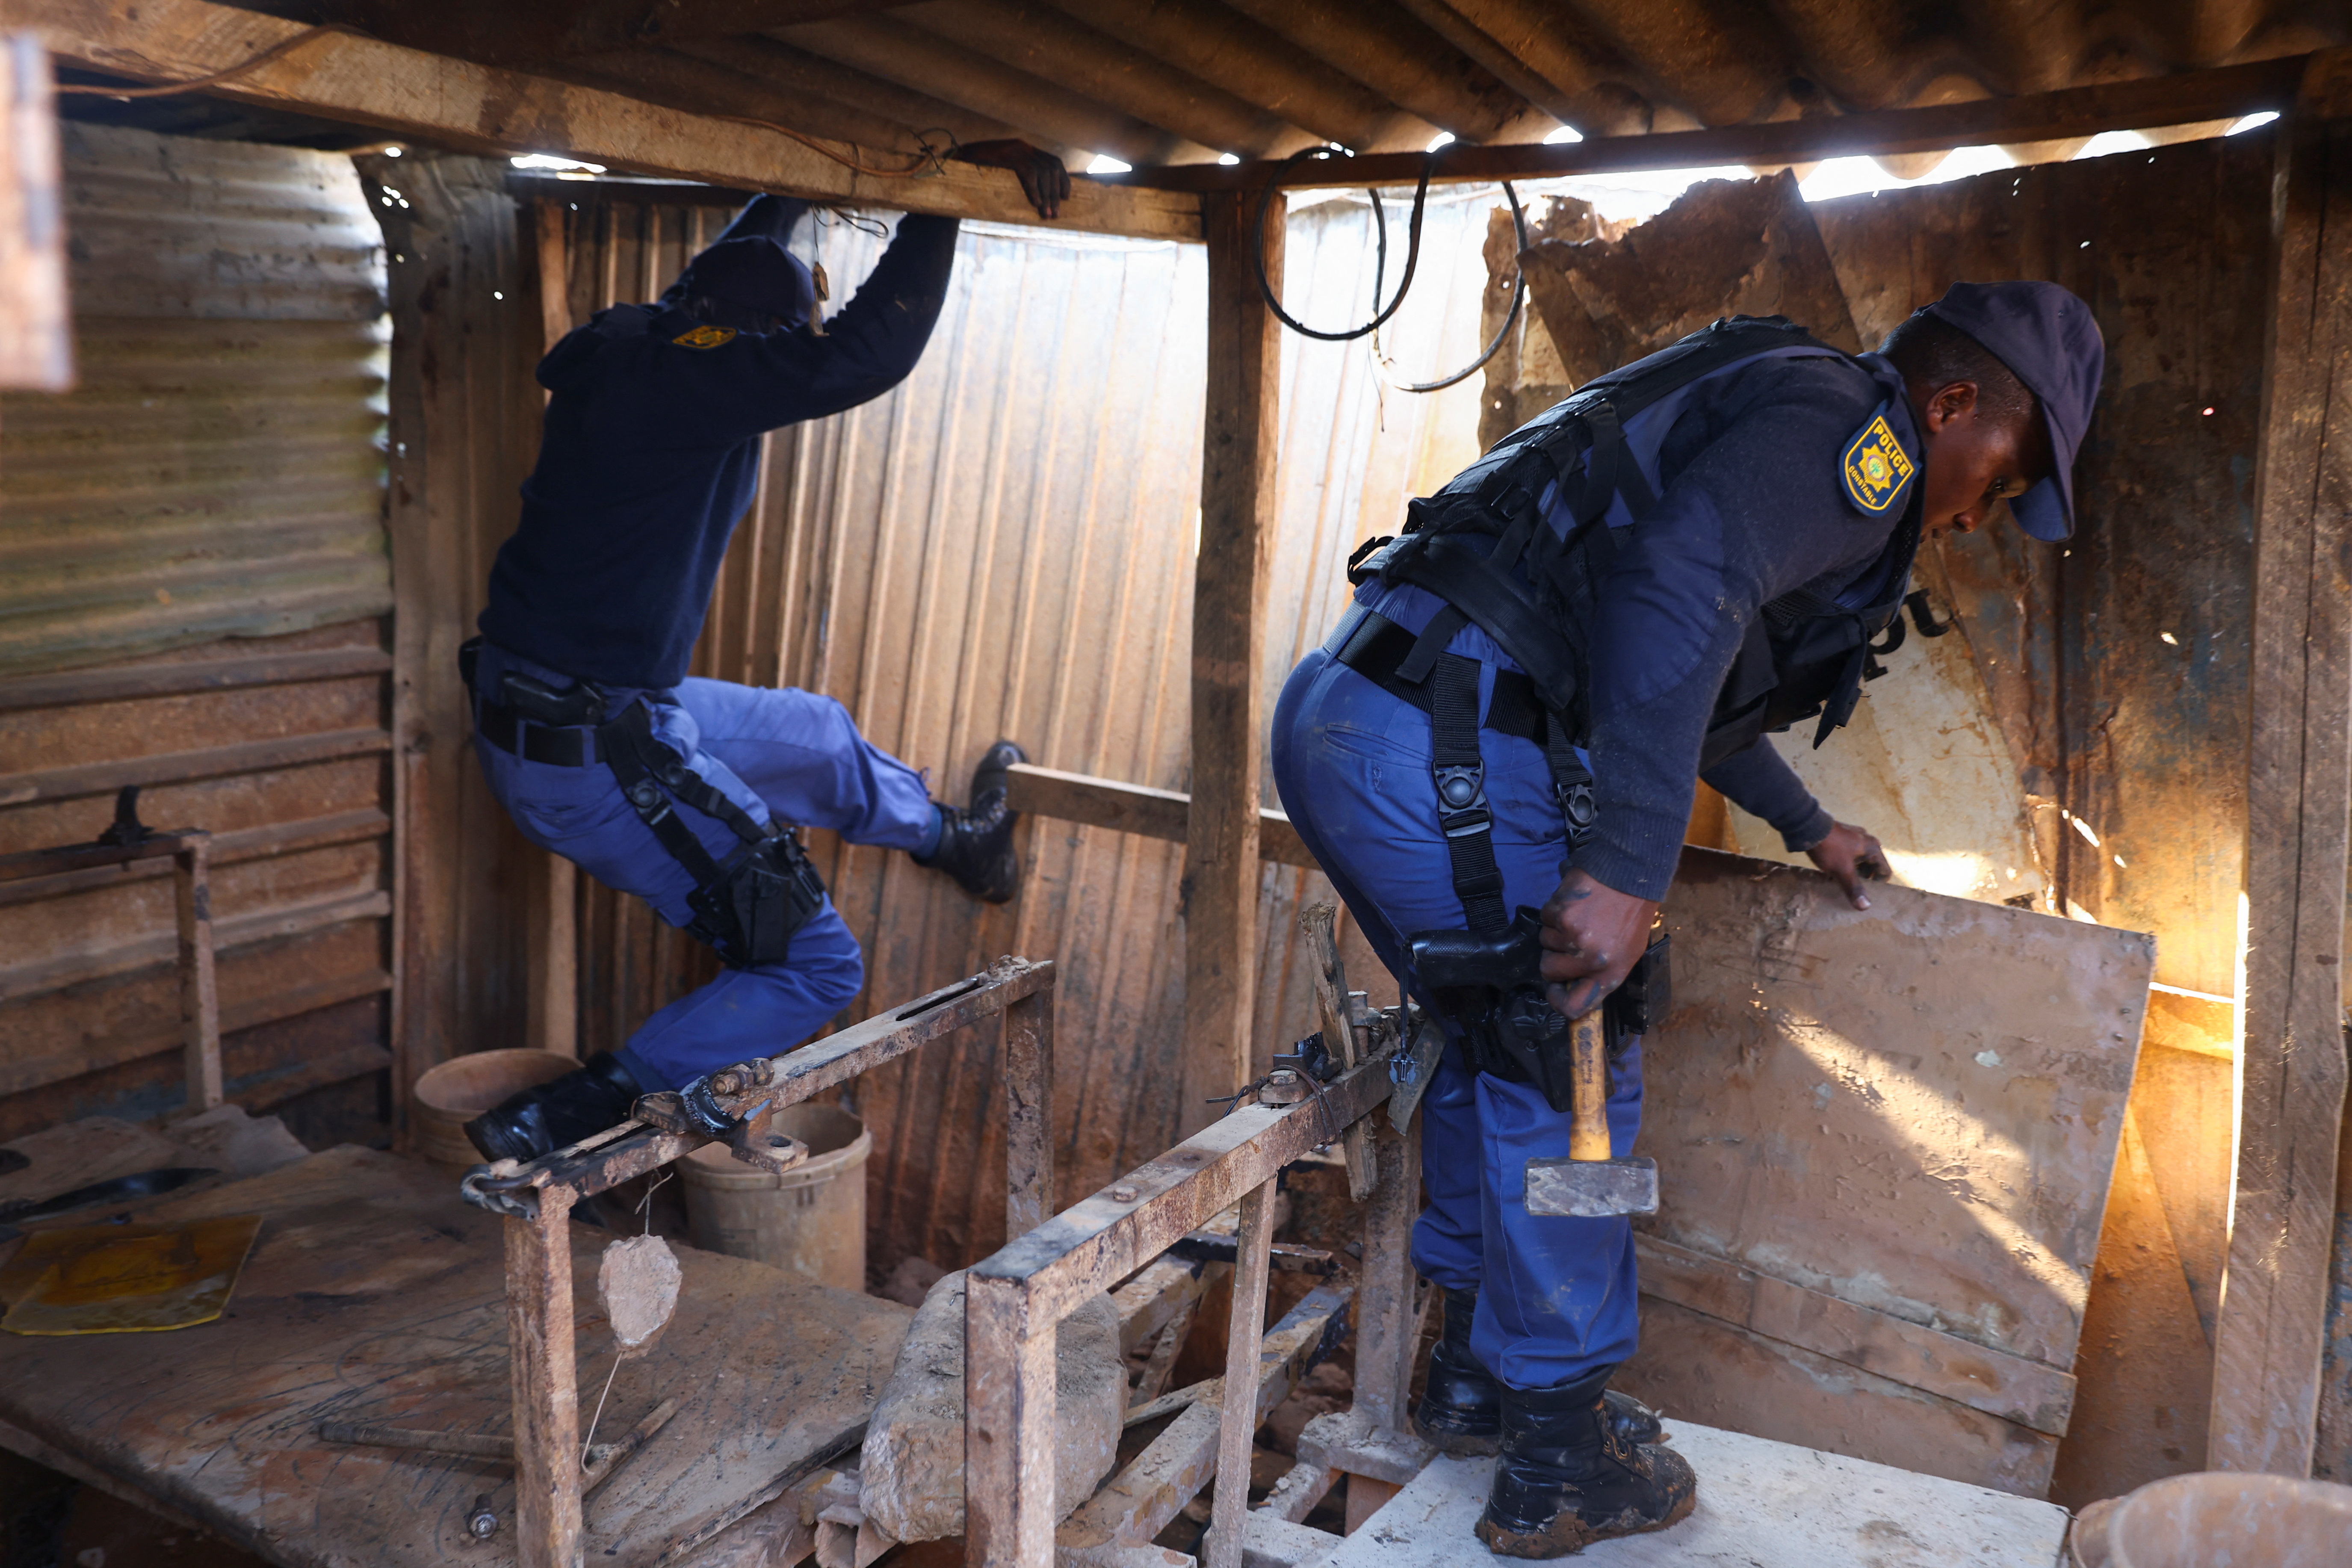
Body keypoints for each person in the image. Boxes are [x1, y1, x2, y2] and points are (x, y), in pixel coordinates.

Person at [1271, 282, 2103, 1556]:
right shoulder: (1857, 443)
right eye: (2003, 470)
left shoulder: (1778, 399)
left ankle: (1473, 1374)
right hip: (1449, 746)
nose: (1982, 507)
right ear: (1948, 405)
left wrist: (1806, 822)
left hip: (1362, 718)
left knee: (1494, 1033)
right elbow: (1681, 582)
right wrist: (1623, 864)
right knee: (1577, 1066)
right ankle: (1554, 1449)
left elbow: (1686, 674)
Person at [461, 156, 1069, 1165]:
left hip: (595, 710)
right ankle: (573, 1110)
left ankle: (956, 841)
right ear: (751, 342)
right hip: (587, 763)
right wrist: (944, 196)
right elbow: (868, 353)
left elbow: (732, 266)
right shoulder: (693, 386)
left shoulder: (642, 342)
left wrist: (793, 181)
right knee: (817, 967)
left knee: (813, 733)